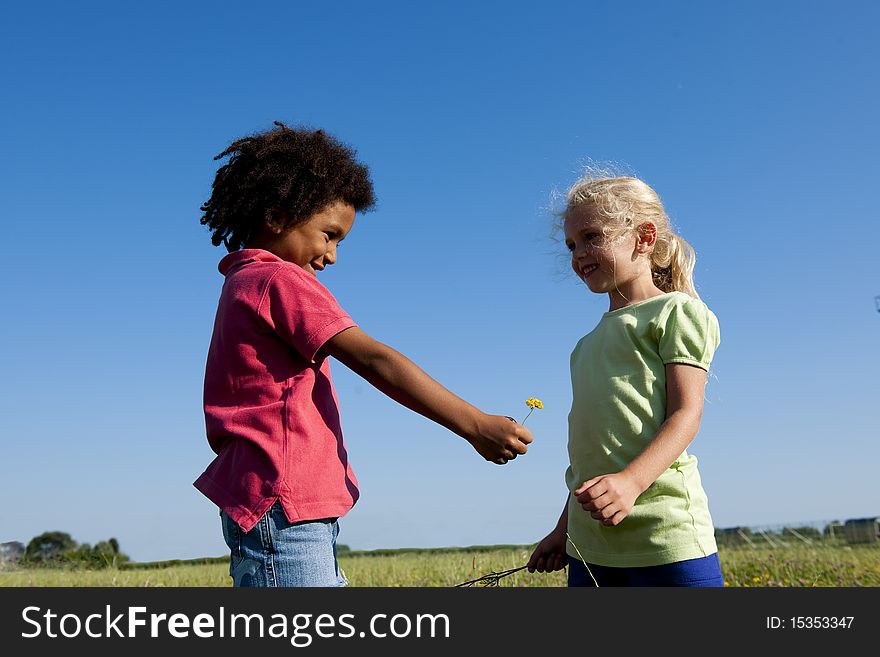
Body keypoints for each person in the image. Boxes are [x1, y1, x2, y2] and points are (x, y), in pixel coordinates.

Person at [194, 121, 532, 587]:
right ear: (275, 216)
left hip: (281, 503)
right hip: (282, 503)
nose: (332, 256)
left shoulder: (244, 283)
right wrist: (474, 424)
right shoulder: (278, 280)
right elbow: (374, 360)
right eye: (329, 235)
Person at [527, 174, 723, 586]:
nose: (579, 255)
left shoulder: (677, 313)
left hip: (665, 536)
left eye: (591, 236)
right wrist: (564, 529)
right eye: (571, 245)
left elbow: (686, 414)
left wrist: (631, 483)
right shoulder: (583, 346)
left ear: (644, 237)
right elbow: (591, 456)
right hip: (591, 546)